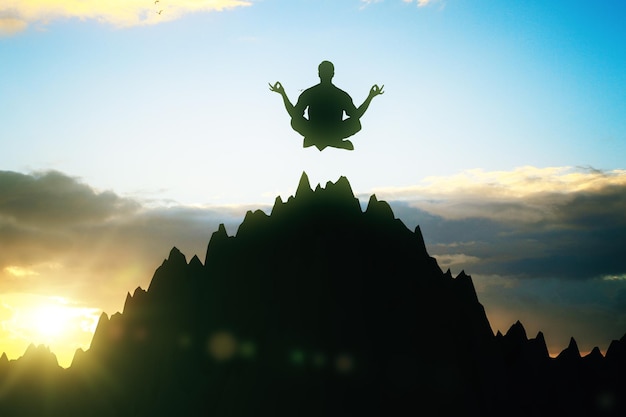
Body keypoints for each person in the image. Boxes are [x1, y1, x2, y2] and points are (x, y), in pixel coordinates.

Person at [269, 61, 384, 151]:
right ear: (332, 74)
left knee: (356, 124)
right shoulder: (338, 94)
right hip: (321, 130)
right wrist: (370, 96)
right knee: (356, 124)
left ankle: (321, 140)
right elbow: (356, 115)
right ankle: (332, 141)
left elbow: (294, 114)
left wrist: (282, 93)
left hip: (326, 131)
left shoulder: (315, 93)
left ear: (319, 74)